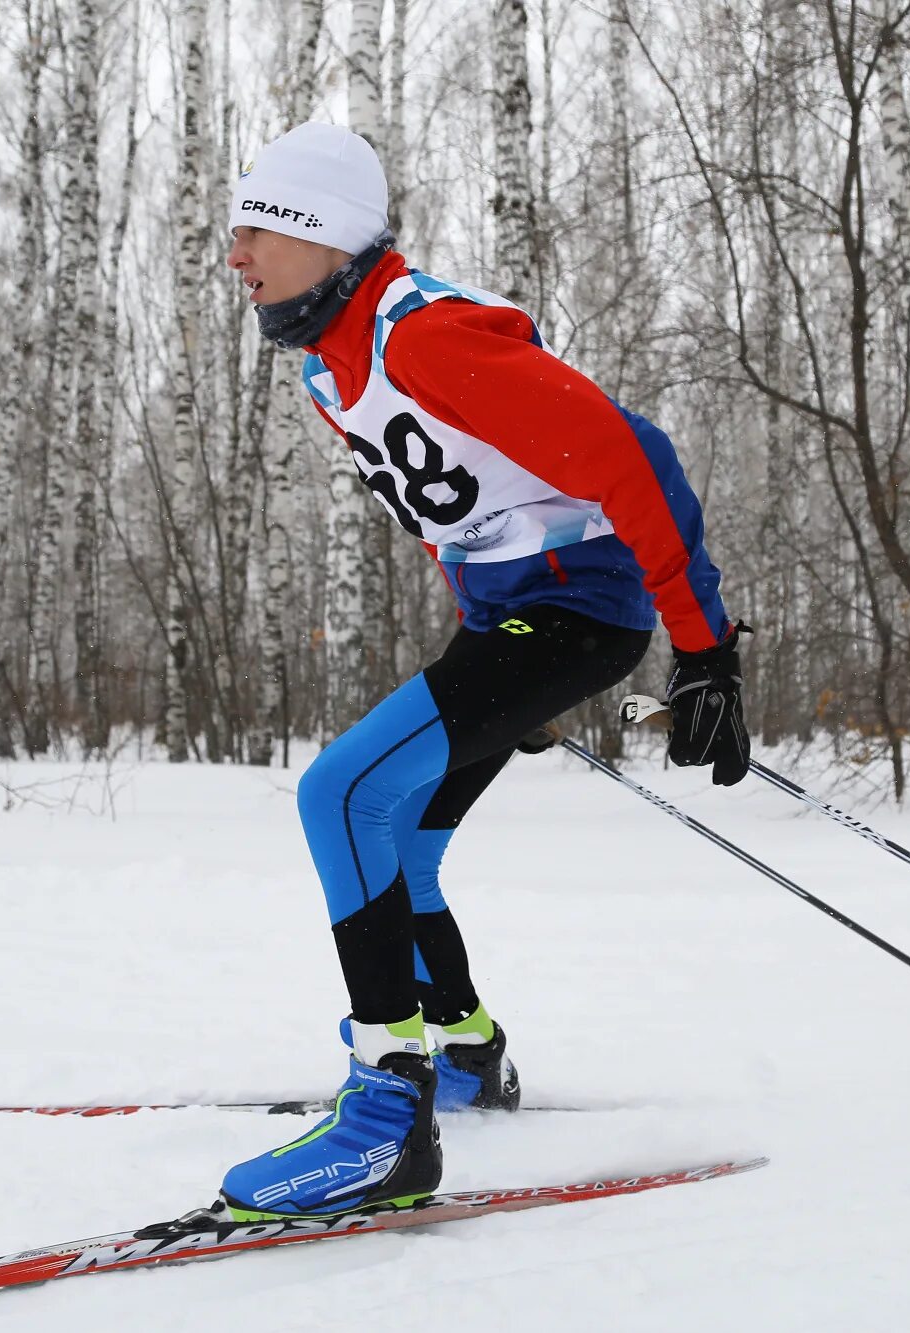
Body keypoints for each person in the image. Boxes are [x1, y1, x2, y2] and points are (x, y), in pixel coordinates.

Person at [216, 122, 750, 1221]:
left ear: (323, 233)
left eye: (259, 225)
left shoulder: (426, 338)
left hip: (577, 612)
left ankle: (383, 1120)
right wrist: (498, 678)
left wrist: (702, 648)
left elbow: (628, 453)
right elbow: (454, 517)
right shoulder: (334, 368)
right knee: (399, 832)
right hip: (517, 623)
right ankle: (462, 1053)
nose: (237, 253)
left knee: (340, 792)